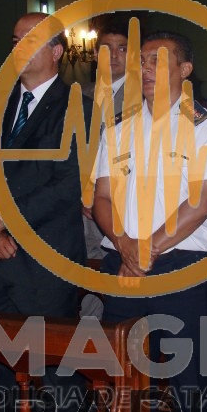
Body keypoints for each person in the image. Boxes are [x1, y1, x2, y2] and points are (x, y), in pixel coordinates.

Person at [94, 30, 207, 412]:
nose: (146, 68)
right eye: (142, 61)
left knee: (191, 379)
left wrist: (143, 250)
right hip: (123, 264)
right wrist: (125, 246)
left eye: (158, 60)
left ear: (185, 70)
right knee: (122, 374)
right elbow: (101, 197)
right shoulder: (119, 128)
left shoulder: (203, 126)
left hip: (178, 266)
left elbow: (200, 203)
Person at [0, 12, 90, 412]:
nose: (18, 48)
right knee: (5, 367)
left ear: (56, 51)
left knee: (54, 369)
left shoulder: (77, 106)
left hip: (45, 259)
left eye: (29, 40)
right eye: (15, 39)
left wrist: (3, 223)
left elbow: (68, 183)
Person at [82, 22, 129, 261]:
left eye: (122, 48)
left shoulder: (146, 96)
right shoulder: (78, 95)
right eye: (106, 48)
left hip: (124, 201)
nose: (114, 55)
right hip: (80, 203)